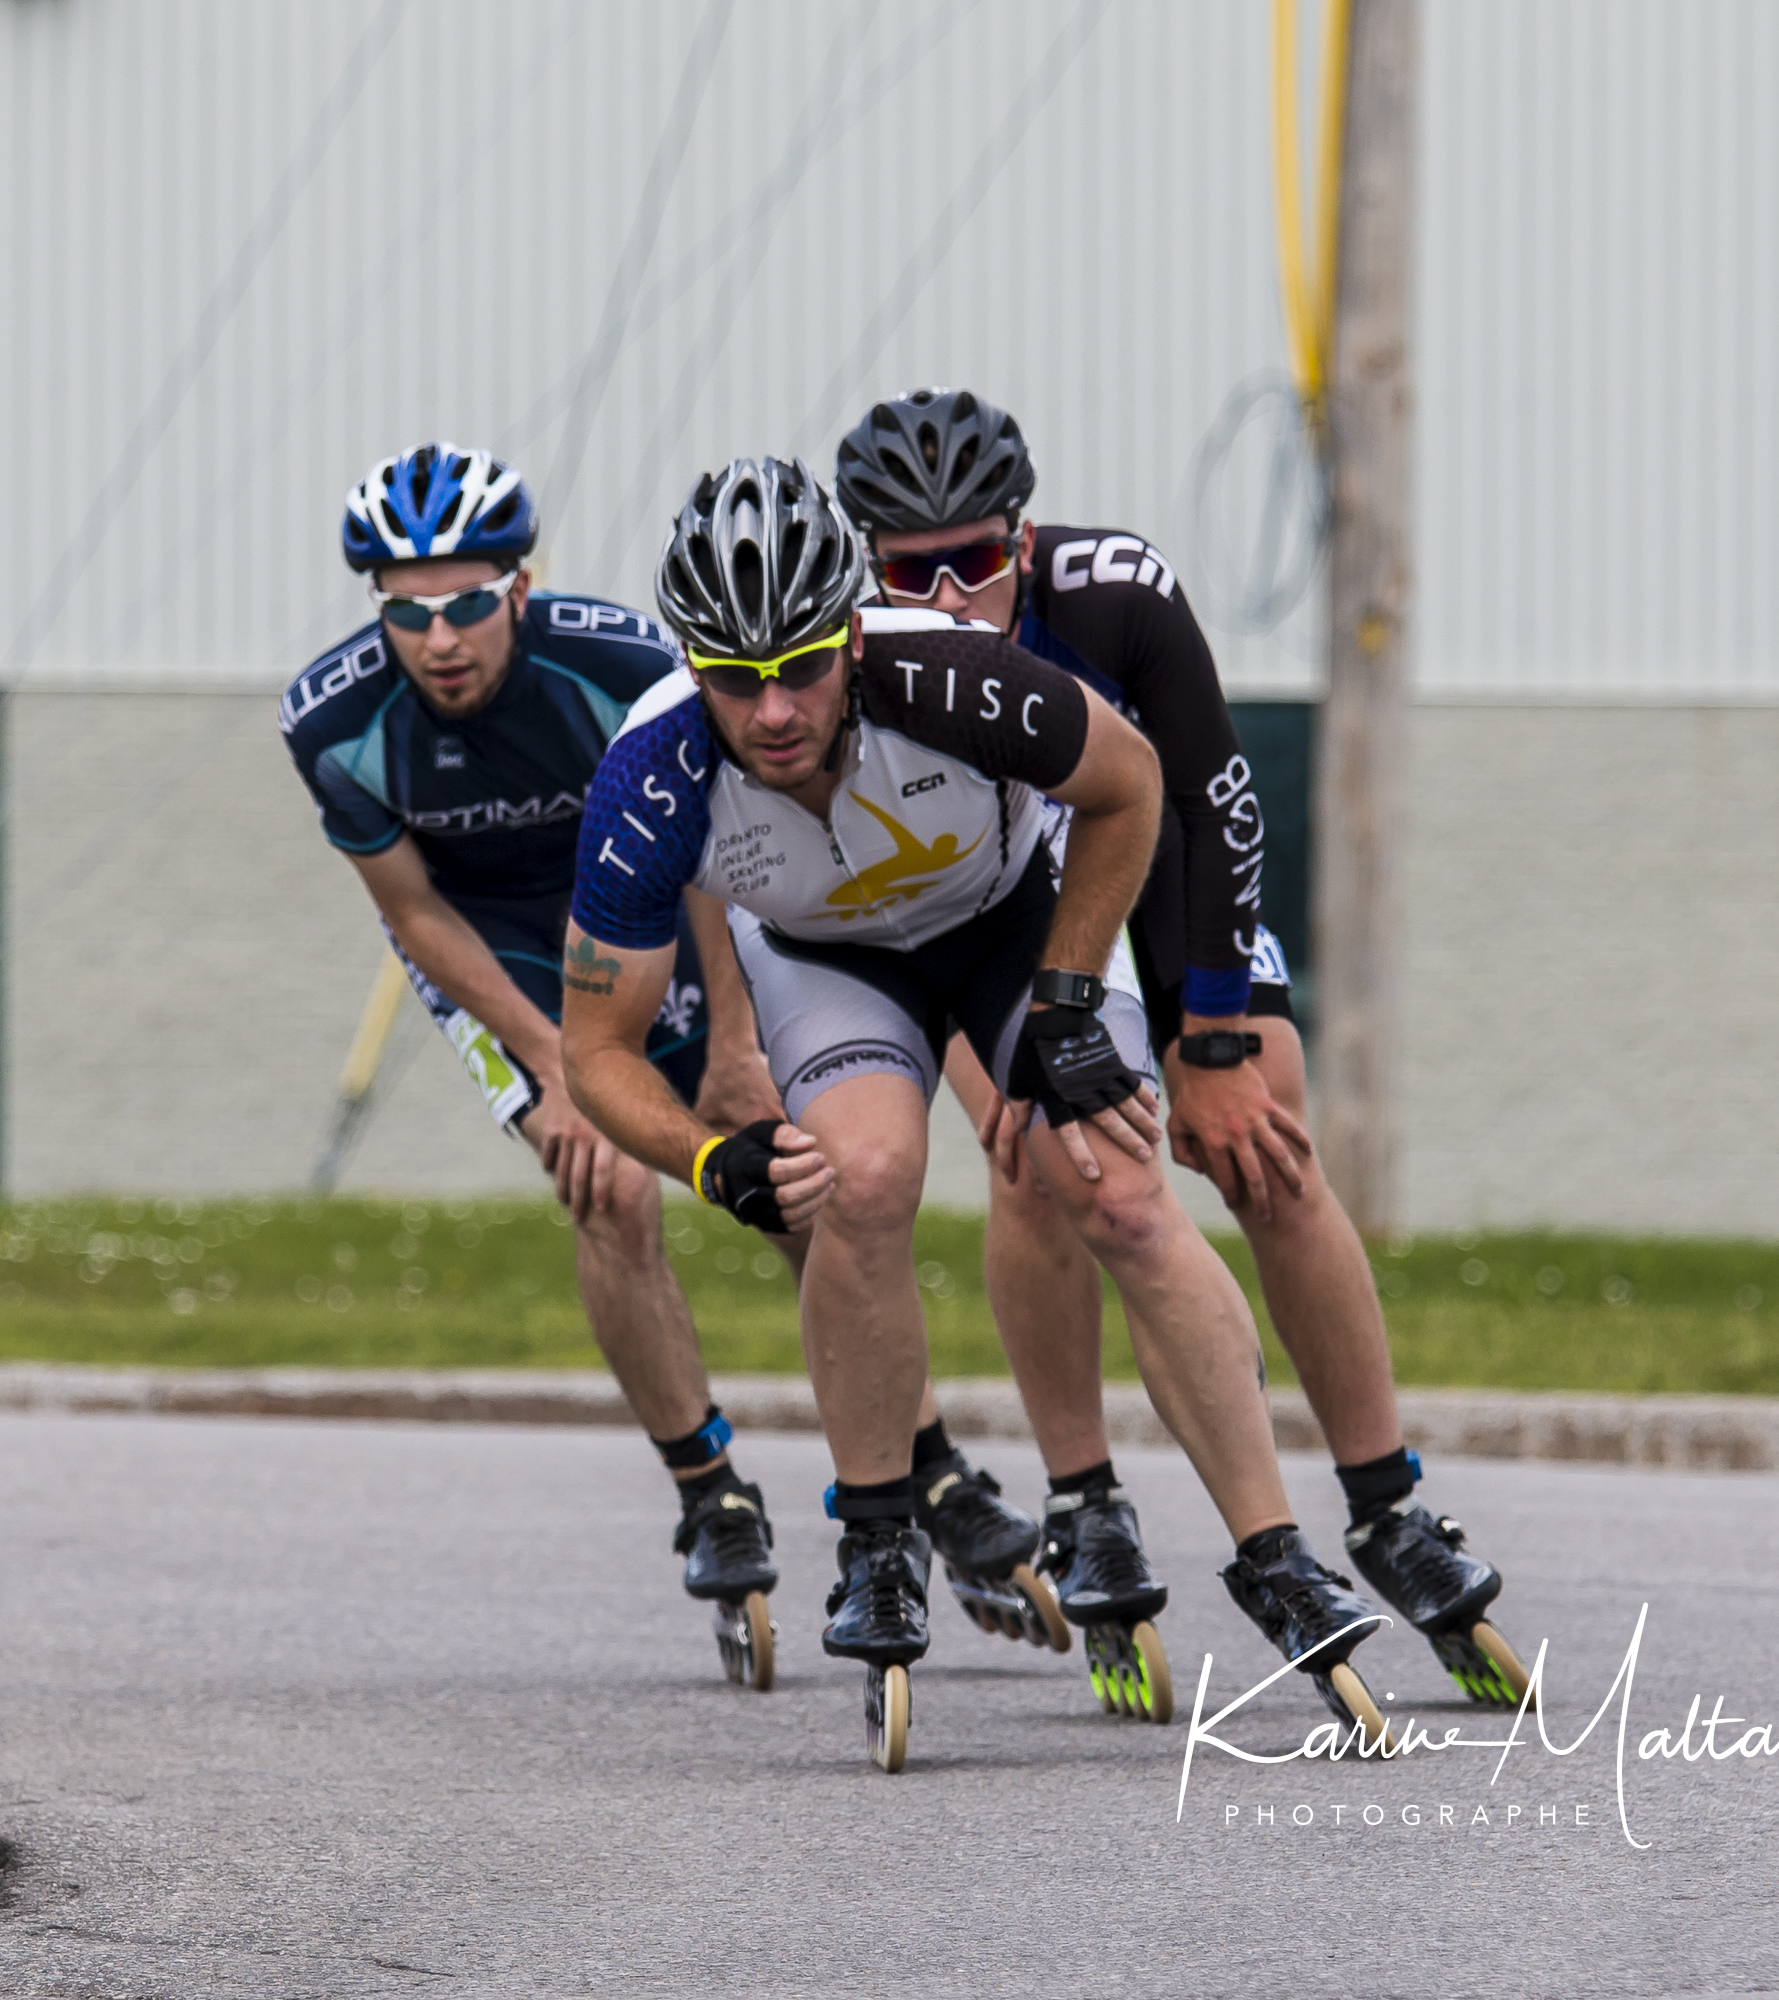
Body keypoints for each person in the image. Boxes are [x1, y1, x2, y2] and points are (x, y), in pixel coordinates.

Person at [559, 455, 1387, 1760]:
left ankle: (1272, 1547)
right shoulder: (650, 778)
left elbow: (1129, 787)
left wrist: (1066, 999)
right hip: (833, 965)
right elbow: (595, 1050)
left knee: (1117, 1190)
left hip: (1010, 924)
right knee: (863, 1183)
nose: (772, 710)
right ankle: (881, 1533)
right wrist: (712, 1158)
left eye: (802, 668)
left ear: (847, 633)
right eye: (734, 677)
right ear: (690, 664)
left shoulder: (947, 671)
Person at [832, 386, 1525, 1710]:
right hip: (996, 908)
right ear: (872, 564)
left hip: (1154, 876)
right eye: (914, 572)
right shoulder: (857, 654)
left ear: (1022, 543)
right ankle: (1086, 1497)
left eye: (976, 562)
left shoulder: (1113, 594)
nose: (950, 595)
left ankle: (1385, 1505)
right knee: (1042, 1154)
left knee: (1268, 1139)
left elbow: (1215, 800)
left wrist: (1209, 1035)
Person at [281, 441, 786, 1683]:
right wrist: (558, 1063)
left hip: (656, 903)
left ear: (520, 587)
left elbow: (715, 858)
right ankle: (709, 1488)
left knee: (795, 1177)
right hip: (502, 951)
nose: (440, 638)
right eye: (408, 612)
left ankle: (915, 1461)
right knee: (608, 1181)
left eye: (465, 603)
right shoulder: (333, 723)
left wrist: (732, 1043)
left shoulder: (620, 667)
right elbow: (419, 916)